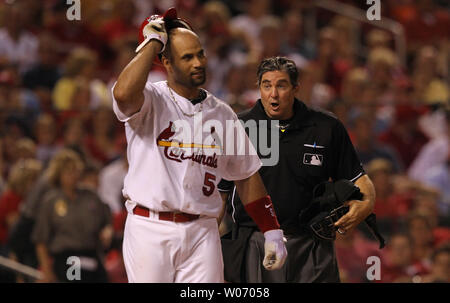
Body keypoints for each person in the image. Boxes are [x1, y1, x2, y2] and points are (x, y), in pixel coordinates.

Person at [111, 8, 287, 283]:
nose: (198, 63)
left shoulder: (222, 112)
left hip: (202, 231)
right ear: (166, 62)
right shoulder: (149, 100)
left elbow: (246, 175)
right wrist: (152, 44)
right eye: (187, 57)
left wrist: (272, 230)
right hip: (150, 228)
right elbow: (122, 94)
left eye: (200, 54)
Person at [219, 56, 376, 282]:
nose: (273, 93)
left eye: (281, 85)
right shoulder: (238, 127)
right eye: (267, 85)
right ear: (259, 88)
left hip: (312, 244)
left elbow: (358, 178)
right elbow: (219, 193)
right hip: (255, 242)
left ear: (295, 88)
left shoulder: (326, 127)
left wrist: (367, 201)